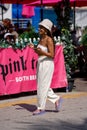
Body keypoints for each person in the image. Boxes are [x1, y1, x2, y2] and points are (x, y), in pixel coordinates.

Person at [29, 19, 62, 115]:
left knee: (42, 86)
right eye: (39, 27)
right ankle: (56, 99)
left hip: (47, 64)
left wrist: (41, 52)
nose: (39, 29)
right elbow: (39, 51)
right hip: (41, 63)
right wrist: (34, 48)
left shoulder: (49, 39)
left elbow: (52, 55)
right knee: (41, 85)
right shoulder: (41, 38)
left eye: (41, 28)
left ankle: (40, 108)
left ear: (46, 29)